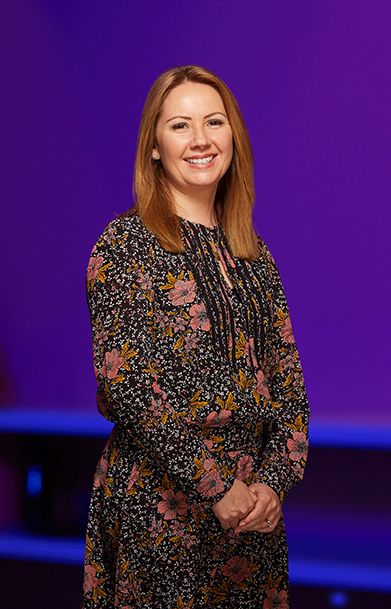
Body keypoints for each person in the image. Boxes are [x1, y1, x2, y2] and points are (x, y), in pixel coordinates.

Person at [83, 65, 309, 609]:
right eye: (180, 125)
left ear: (234, 136)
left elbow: (289, 387)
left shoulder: (254, 254)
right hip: (163, 507)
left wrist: (273, 484)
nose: (202, 140)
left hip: (252, 516)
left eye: (214, 122)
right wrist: (215, 486)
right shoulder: (125, 245)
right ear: (154, 146)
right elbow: (129, 389)